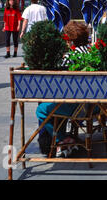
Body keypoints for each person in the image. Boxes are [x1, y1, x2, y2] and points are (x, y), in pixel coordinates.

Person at [36, 21, 90, 157]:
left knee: (42, 109)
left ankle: (61, 139)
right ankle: (65, 138)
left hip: (76, 105)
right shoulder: (91, 52)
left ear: (70, 39)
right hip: (92, 105)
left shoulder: (69, 58)